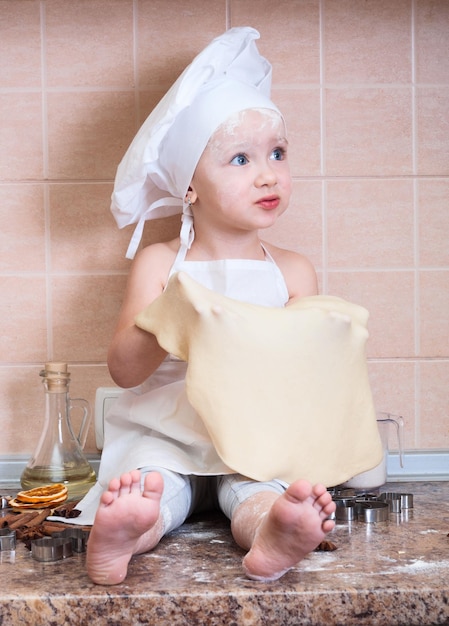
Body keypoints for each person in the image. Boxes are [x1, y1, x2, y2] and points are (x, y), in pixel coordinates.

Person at [83, 27, 336, 585]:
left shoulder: (293, 271)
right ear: (190, 186)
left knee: (259, 489)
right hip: (165, 434)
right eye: (240, 159)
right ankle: (128, 534)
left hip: (252, 437)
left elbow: (311, 381)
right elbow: (124, 372)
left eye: (276, 153)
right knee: (152, 487)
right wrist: (168, 314)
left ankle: (273, 532)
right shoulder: (160, 263)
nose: (268, 173)